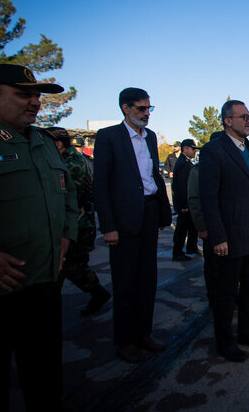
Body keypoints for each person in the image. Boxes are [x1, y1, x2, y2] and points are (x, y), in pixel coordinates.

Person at [0, 63, 78, 411]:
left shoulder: (41, 141)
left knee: (43, 377)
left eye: (38, 95)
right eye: (24, 93)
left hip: (44, 281)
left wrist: (66, 236)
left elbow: (67, 194)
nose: (36, 102)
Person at [93, 87, 172, 363]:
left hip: (149, 214)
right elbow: (100, 185)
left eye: (150, 108)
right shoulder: (108, 137)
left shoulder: (149, 138)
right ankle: (125, 341)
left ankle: (144, 333)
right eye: (141, 108)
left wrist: (163, 213)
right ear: (125, 108)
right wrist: (108, 226)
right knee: (126, 282)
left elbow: (153, 177)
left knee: (147, 278)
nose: (147, 113)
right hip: (124, 220)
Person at [199, 100, 249, 362]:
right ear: (227, 121)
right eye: (243, 116)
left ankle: (248, 334)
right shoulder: (213, 151)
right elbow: (208, 197)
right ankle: (225, 342)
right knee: (226, 293)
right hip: (229, 238)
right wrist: (217, 236)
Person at [46, 127, 111, 316]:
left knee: (71, 266)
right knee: (70, 266)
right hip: (76, 222)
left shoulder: (70, 163)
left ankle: (97, 293)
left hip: (77, 224)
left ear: (58, 145)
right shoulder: (67, 159)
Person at [188, 131, 223, 307]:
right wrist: (202, 227)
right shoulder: (198, 170)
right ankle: (215, 299)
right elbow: (195, 200)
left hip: (228, 226)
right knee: (213, 266)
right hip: (210, 227)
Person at [172, 138, 200, 261]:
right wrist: (183, 205)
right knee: (182, 229)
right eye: (192, 149)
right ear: (185, 149)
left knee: (192, 227)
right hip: (185, 204)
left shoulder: (186, 163)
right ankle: (177, 252)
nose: (195, 152)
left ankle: (191, 247)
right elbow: (183, 187)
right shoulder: (183, 164)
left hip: (187, 204)